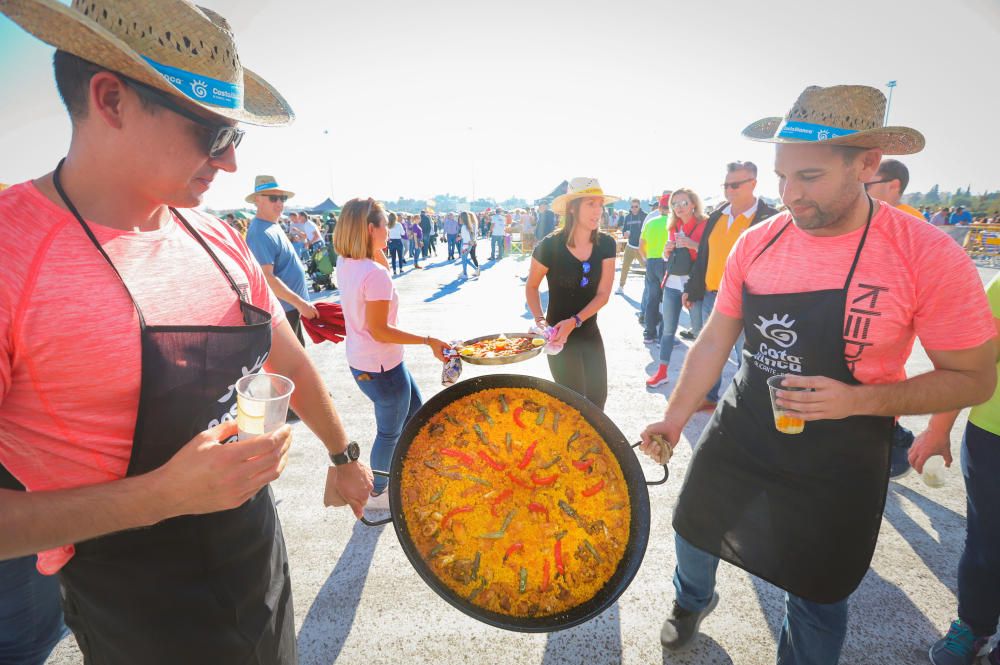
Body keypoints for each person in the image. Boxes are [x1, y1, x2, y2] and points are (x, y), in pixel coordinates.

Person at [0, 2, 375, 663]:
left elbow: (280, 347)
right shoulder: (12, 255)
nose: (228, 165)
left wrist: (343, 455)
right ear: (111, 99)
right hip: (138, 611)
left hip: (256, 564)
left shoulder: (216, 236)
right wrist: (161, 494)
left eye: (236, 139)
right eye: (212, 134)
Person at [638, 84, 996, 664]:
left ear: (868, 164)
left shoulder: (924, 254)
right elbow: (712, 340)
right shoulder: (757, 242)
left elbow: (975, 378)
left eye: (808, 177)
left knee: (817, 592)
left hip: (846, 449)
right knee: (693, 523)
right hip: (748, 421)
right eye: (781, 177)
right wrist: (675, 418)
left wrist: (855, 400)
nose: (789, 195)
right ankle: (691, 600)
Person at [334, 198, 451, 509]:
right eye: (385, 224)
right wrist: (429, 340)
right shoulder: (374, 274)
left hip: (367, 361)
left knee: (417, 414)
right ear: (370, 229)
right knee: (389, 434)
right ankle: (379, 493)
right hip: (382, 366)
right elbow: (380, 329)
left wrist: (374, 247)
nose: (391, 229)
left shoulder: (346, 263)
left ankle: (415, 470)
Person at [910, 273, 1000, 665]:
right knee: (987, 544)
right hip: (994, 435)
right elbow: (972, 365)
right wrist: (938, 428)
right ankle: (974, 625)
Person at [680, 161, 778, 409]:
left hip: (748, 301)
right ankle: (709, 397)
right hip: (712, 297)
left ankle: (745, 404)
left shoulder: (770, 219)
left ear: (753, 184)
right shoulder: (717, 216)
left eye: (735, 185)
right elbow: (704, 255)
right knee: (711, 353)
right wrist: (692, 288)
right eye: (726, 185)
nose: (729, 190)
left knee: (745, 357)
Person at [526, 178, 619, 409]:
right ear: (572, 207)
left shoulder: (606, 244)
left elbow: (603, 294)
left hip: (589, 332)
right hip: (558, 338)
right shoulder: (549, 246)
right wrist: (539, 320)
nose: (598, 211)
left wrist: (575, 321)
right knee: (575, 406)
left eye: (600, 204)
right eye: (590, 204)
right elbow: (531, 287)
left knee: (598, 401)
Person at [245, 175, 317, 347]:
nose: (279, 203)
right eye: (273, 198)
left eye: (282, 198)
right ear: (257, 200)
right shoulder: (259, 232)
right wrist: (300, 303)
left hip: (289, 309)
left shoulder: (272, 226)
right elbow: (267, 278)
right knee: (292, 368)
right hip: (282, 311)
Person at [646, 189, 708, 388]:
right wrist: (666, 252)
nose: (679, 207)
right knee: (667, 331)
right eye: (675, 203)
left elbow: (709, 254)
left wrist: (692, 244)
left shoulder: (704, 223)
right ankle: (662, 372)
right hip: (672, 284)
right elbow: (669, 258)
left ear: (693, 204)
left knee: (699, 332)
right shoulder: (672, 225)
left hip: (694, 285)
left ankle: (700, 381)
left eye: (683, 202)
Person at [639, 194, 671, 344]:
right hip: (667, 263)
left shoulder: (650, 222)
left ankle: (649, 333)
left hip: (651, 262)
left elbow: (641, 245)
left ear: (659, 208)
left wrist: (646, 259)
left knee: (652, 299)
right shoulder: (674, 224)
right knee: (668, 301)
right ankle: (663, 336)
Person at [616, 198, 647, 294]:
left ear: (639, 206)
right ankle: (621, 287)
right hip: (630, 246)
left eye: (636, 206)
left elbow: (647, 231)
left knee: (648, 268)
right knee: (625, 267)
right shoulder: (627, 217)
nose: (634, 208)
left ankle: (651, 288)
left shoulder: (644, 216)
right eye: (632, 207)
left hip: (641, 247)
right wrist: (624, 233)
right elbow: (623, 229)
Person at [459, 210, 481, 279]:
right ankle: (466, 272)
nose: (459, 219)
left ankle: (466, 273)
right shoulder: (470, 225)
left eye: (460, 217)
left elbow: (465, 237)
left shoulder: (464, 226)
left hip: (465, 244)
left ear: (462, 218)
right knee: (464, 259)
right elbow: (470, 235)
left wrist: (460, 238)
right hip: (468, 244)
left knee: (464, 259)